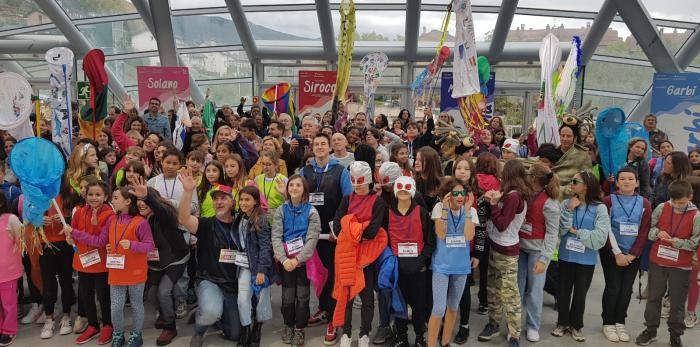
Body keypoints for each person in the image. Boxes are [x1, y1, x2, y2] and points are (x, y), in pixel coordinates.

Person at [65, 187, 155, 347]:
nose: (112, 201)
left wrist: (133, 245)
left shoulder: (140, 222)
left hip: (135, 271)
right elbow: (99, 241)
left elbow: (149, 245)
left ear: (127, 201)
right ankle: (118, 334)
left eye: (115, 198)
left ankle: (136, 335)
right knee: (115, 306)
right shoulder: (112, 220)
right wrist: (74, 232)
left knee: (136, 304)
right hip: (116, 270)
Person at [176, 170, 242, 347]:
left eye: (223, 198)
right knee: (211, 312)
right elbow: (183, 218)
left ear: (233, 202)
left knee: (234, 334)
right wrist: (188, 191)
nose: (218, 202)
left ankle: (207, 310)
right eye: (215, 199)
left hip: (232, 285)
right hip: (209, 280)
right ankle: (200, 328)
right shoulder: (206, 224)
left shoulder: (241, 225)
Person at [299, 133, 352, 345]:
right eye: (317, 144)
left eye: (324, 144)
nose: (320, 147)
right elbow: (300, 199)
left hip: (333, 234)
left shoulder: (341, 171)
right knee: (318, 276)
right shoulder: (306, 170)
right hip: (311, 233)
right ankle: (323, 308)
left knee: (333, 277)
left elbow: (348, 201)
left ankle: (333, 318)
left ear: (330, 147)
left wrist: (338, 229)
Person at [636, 180, 700, 347]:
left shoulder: (696, 216)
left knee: (677, 301)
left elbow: (694, 243)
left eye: (682, 203)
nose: (677, 206)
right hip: (658, 261)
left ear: (690, 197)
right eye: (674, 202)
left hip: (681, 265)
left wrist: (677, 242)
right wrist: (657, 233)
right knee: (653, 298)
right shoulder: (662, 208)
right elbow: (649, 231)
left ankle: (675, 335)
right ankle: (650, 330)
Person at [478, 160, 532, 347]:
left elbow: (502, 225)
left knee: (510, 293)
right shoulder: (508, 194)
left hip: (507, 251)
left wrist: (493, 204)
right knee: (492, 289)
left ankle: (514, 333)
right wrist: (492, 199)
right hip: (496, 247)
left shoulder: (514, 197)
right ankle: (493, 324)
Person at [130, 177, 189, 346]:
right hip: (155, 262)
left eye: (145, 200)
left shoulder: (165, 215)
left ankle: (170, 327)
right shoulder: (140, 219)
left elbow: (158, 208)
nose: (141, 204)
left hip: (175, 259)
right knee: (151, 295)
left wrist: (147, 196)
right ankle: (164, 313)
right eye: (139, 201)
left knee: (164, 291)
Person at [333, 162, 386, 347]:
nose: (357, 186)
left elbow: (373, 231)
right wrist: (358, 226)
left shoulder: (378, 201)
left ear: (369, 180)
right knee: (346, 295)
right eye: (354, 182)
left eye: (361, 182)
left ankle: (365, 332)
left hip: (367, 257)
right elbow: (338, 222)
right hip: (347, 255)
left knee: (367, 298)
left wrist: (351, 226)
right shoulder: (347, 199)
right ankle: (346, 332)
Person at [552, 171, 609, 342]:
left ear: (586, 185)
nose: (572, 183)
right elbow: (560, 230)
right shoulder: (566, 204)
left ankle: (576, 325)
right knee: (562, 292)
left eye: (575, 181)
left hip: (587, 259)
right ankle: (562, 323)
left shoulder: (599, 208)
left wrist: (576, 232)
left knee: (580, 294)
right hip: (565, 256)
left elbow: (599, 238)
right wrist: (570, 210)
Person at [601, 167, 651, 343]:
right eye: (622, 179)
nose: (626, 182)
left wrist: (633, 254)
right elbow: (605, 229)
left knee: (626, 289)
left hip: (633, 255)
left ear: (637, 183)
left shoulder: (644, 203)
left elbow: (644, 230)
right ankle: (607, 322)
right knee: (613, 287)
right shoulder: (608, 201)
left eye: (630, 179)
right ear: (617, 182)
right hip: (611, 253)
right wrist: (617, 253)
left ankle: (620, 321)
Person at [384, 176, 435, 347]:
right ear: (396, 190)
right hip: (397, 268)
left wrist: (422, 260)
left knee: (419, 305)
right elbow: (384, 240)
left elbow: (429, 240)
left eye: (407, 187)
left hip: (418, 268)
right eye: (400, 186)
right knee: (399, 305)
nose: (403, 190)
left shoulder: (421, 212)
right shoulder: (388, 212)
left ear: (412, 190)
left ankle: (420, 336)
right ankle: (401, 337)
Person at [271, 175, 321, 347]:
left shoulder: (312, 211)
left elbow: (312, 238)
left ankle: (299, 328)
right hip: (286, 262)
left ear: (304, 189)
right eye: (291, 185)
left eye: (298, 185)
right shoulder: (280, 211)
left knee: (302, 296)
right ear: (287, 189)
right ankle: (288, 326)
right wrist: (284, 260)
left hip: (305, 262)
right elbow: (276, 237)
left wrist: (298, 259)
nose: (294, 188)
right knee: (287, 297)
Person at [428, 177, 477, 347]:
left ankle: (445, 341)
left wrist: (469, 210)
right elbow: (441, 234)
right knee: (439, 308)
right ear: (447, 194)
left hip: (461, 266)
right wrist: (445, 211)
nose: (459, 197)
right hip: (442, 265)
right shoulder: (439, 208)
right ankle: (431, 344)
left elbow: (469, 236)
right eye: (455, 193)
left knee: (453, 306)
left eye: (462, 193)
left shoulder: (470, 212)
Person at [517, 163, 561, 343]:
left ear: (533, 178)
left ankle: (533, 326)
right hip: (519, 247)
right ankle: (515, 323)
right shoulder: (524, 194)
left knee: (535, 290)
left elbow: (552, 233)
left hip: (537, 251)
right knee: (517, 288)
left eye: (528, 175)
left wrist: (544, 259)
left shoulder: (550, 203)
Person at [69, 181, 115, 345]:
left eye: (98, 195)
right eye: (90, 194)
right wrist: (71, 236)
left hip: (101, 263)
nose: (93, 198)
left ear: (105, 196)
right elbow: (74, 231)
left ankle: (108, 325)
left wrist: (75, 233)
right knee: (86, 295)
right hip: (83, 261)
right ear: (84, 195)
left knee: (103, 296)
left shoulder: (110, 215)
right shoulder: (79, 212)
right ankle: (93, 325)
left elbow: (100, 241)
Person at [232, 186, 274, 347]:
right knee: (242, 299)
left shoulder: (260, 219)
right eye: (241, 199)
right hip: (243, 265)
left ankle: (257, 326)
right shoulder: (239, 217)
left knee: (261, 299)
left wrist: (262, 270)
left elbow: (265, 246)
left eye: (247, 199)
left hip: (259, 266)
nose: (243, 203)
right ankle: (246, 328)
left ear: (256, 201)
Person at [0, 192, 23, 347]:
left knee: (8, 303)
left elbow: (21, 240)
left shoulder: (11, 219)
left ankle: (9, 330)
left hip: (7, 272)